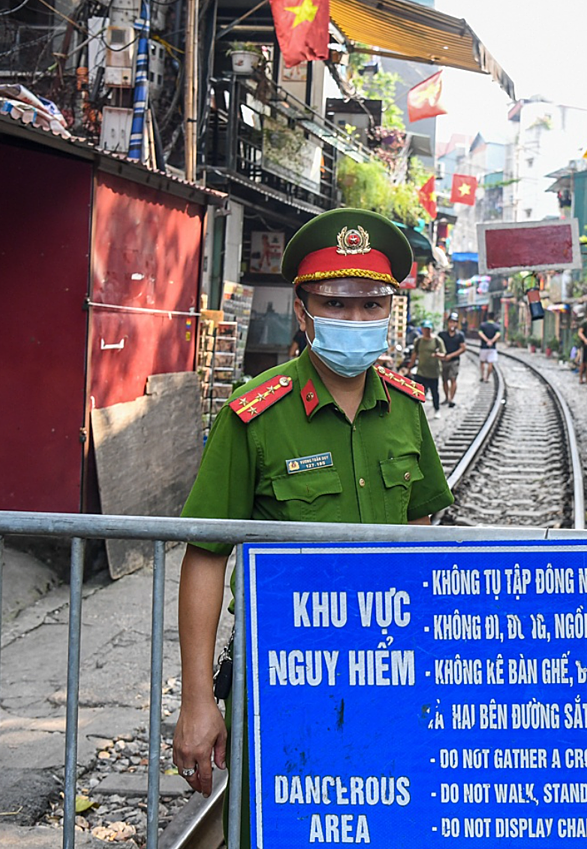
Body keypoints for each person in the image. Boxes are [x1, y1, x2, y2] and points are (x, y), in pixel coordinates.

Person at [172, 209, 454, 828]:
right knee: (283, 824)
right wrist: (196, 699)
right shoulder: (254, 415)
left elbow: (423, 534)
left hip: (391, 669)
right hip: (282, 679)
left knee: (390, 820)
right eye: (336, 304)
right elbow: (205, 555)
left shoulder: (406, 410)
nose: (357, 320)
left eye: (372, 305)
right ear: (302, 312)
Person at [403, 320, 443, 416]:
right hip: (421, 371)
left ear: (431, 329)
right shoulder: (419, 341)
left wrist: (438, 355)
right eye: (425, 329)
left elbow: (444, 354)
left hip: (433, 372)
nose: (426, 331)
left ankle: (437, 409)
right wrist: (410, 367)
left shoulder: (437, 341)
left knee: (435, 392)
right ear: (422, 329)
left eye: (428, 329)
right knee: (418, 392)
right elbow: (414, 354)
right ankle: (416, 412)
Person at [437, 312, 467, 407]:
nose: (452, 324)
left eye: (454, 322)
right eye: (451, 322)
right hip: (444, 360)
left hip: (454, 360)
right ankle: (446, 397)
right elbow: (437, 345)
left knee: (453, 378)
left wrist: (451, 355)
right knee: (444, 380)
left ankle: (451, 399)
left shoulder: (460, 335)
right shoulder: (442, 334)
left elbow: (463, 348)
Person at [478, 311, 501, 382]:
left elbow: (480, 333)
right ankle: (487, 378)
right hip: (492, 348)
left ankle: (482, 376)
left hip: (483, 347)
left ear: (487, 317)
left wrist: (487, 340)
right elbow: (498, 335)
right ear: (494, 318)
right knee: (490, 363)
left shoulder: (483, 325)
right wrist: (491, 341)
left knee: (482, 362)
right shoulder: (497, 326)